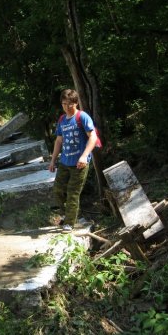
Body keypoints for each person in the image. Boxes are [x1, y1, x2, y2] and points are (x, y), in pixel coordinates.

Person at [48, 89, 98, 233]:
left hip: (79, 164)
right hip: (64, 162)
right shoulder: (62, 120)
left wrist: (84, 156)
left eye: (69, 104)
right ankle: (69, 214)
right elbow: (58, 141)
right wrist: (53, 161)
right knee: (58, 190)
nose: (66, 107)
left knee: (72, 193)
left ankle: (69, 223)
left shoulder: (83, 117)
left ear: (76, 103)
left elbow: (93, 137)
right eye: (64, 104)